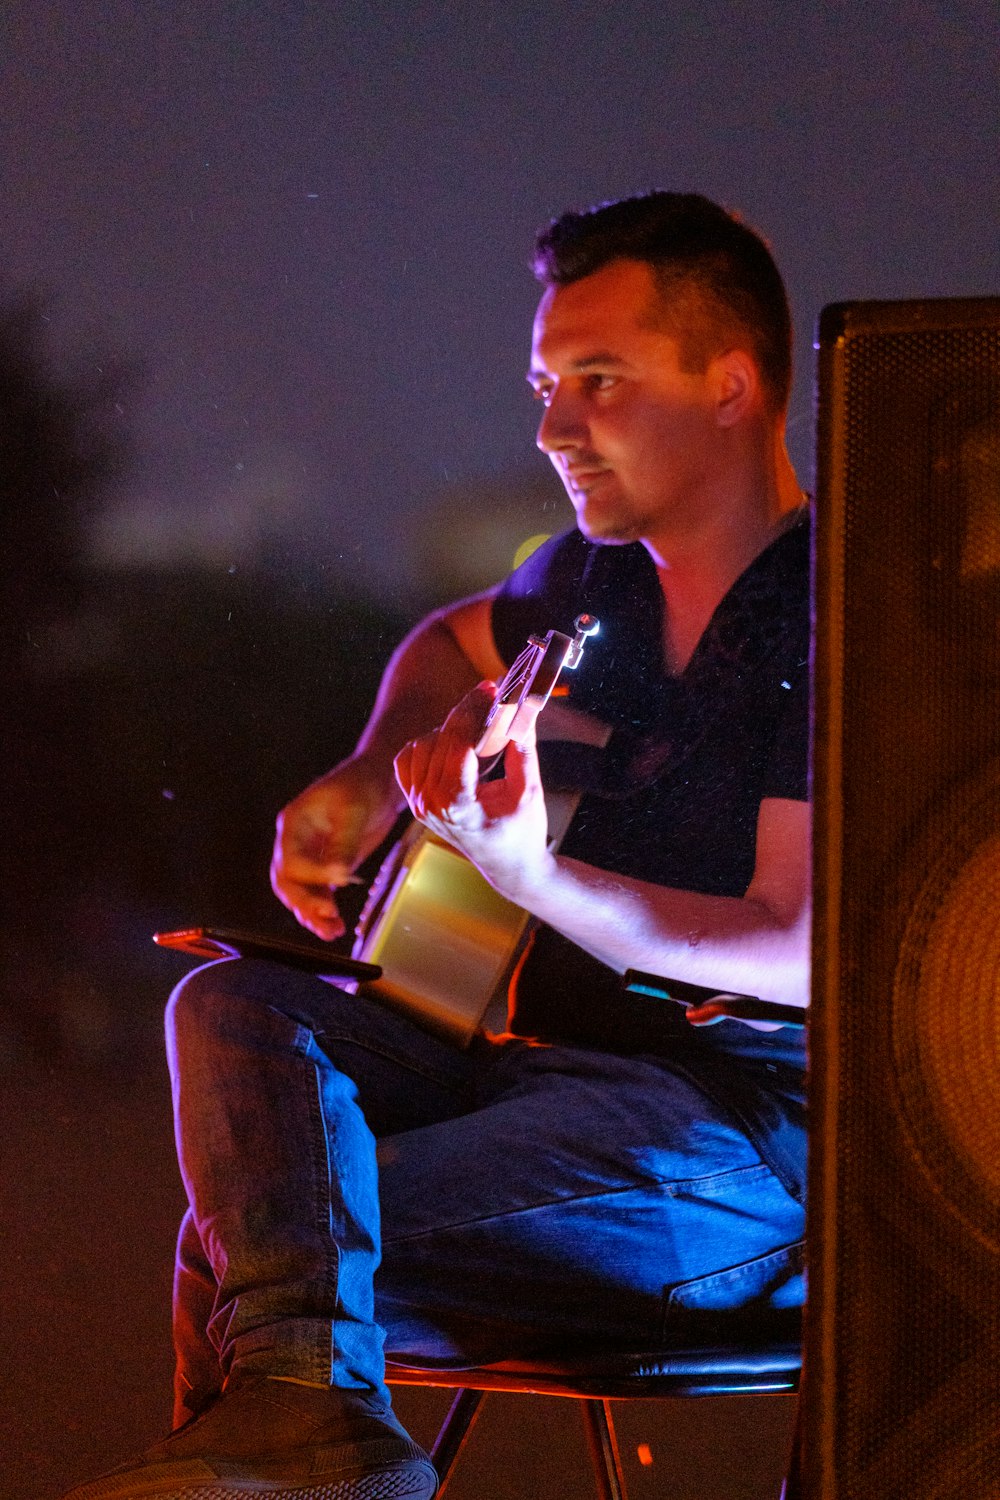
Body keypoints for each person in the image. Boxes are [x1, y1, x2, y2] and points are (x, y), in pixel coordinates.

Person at [64, 191, 811, 1500]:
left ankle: (314, 1451)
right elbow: (450, 644)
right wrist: (368, 770)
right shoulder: (597, 578)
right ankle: (315, 1442)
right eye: (543, 383)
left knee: (271, 1241)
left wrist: (534, 876)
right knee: (236, 1010)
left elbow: (799, 950)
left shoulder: (832, 612)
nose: (551, 426)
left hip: (728, 1147)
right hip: (520, 1066)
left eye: (600, 379)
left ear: (731, 387)